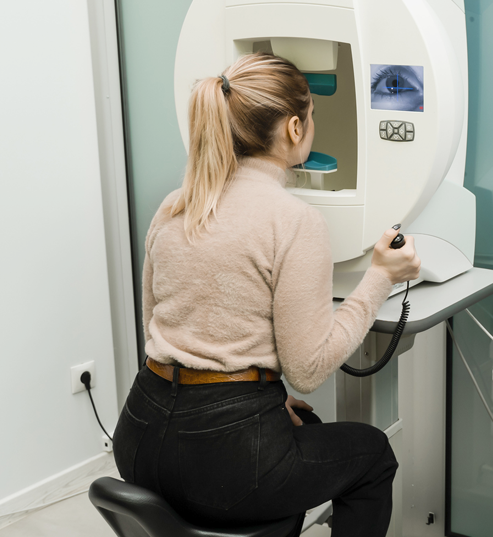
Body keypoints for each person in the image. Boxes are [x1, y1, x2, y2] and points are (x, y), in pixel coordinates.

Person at [112, 52, 420, 536]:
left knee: (310, 433)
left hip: (139, 437)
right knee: (373, 454)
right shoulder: (293, 220)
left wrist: (261, 396)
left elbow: (159, 328)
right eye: (312, 116)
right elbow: (308, 369)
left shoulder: (174, 206)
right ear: (295, 129)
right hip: (224, 458)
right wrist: (381, 275)